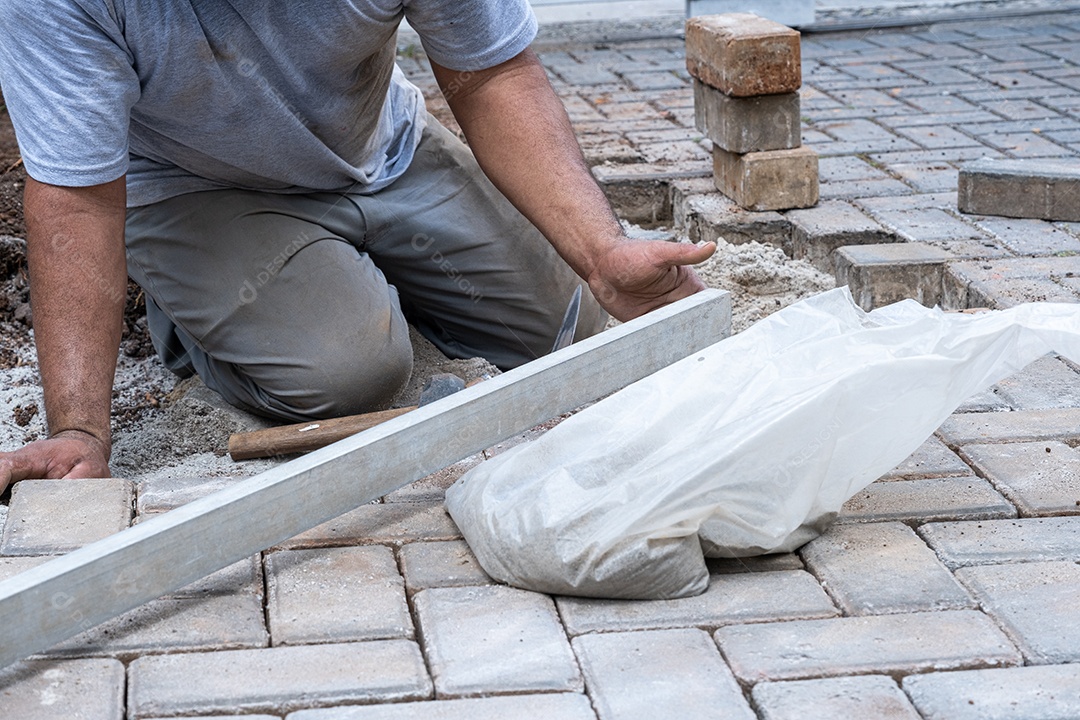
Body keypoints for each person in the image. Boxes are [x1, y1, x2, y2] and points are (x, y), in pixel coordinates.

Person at [0, 0, 714, 490]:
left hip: (381, 147)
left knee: (568, 331)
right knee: (347, 374)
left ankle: (352, 273)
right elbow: (78, 197)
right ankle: (194, 315)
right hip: (194, 186)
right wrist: (80, 430)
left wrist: (602, 251)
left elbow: (491, 73)